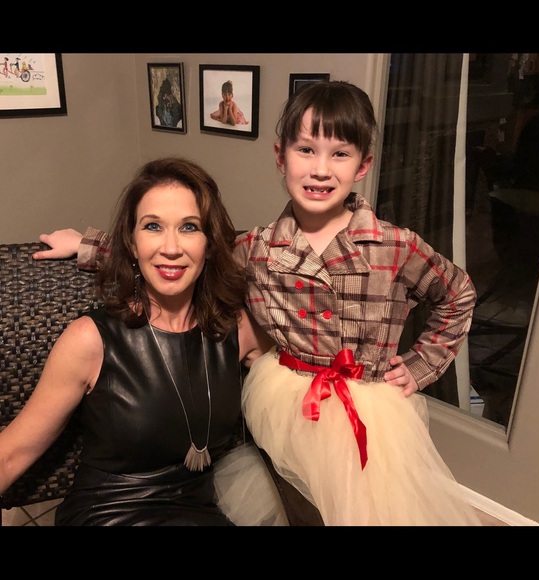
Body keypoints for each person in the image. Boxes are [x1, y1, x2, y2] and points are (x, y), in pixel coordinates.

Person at [33, 81, 481, 526]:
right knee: (299, 506)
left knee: (369, 511)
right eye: (306, 150)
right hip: (290, 405)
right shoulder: (259, 247)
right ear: (280, 157)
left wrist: (422, 364)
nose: (320, 169)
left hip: (368, 410)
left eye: (340, 154)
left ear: (363, 165)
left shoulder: (395, 246)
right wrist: (88, 245)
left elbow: (457, 293)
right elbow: (185, 255)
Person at [0, 157, 287, 526]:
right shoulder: (90, 340)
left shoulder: (239, 328)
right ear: (132, 244)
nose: (171, 247)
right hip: (108, 513)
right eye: (153, 226)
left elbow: (307, 364)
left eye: (189, 227)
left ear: (209, 244)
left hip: (198, 514)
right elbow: (11, 454)